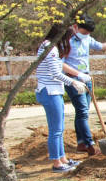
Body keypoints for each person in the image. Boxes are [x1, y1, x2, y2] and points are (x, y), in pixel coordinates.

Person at [62, 15, 106, 156]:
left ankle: (81, 143)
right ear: (76, 27)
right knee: (83, 111)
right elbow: (61, 63)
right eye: (84, 33)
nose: (86, 36)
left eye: (88, 34)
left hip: (87, 78)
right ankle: (90, 145)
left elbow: (101, 47)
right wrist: (77, 75)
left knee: (82, 112)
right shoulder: (67, 41)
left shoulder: (87, 39)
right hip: (74, 80)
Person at [36, 24, 87, 172]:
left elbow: (60, 66)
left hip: (54, 90)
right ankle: (57, 163)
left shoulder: (51, 46)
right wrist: (73, 82)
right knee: (55, 129)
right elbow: (55, 73)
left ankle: (63, 158)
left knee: (59, 128)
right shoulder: (50, 48)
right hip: (49, 91)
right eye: (68, 37)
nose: (69, 41)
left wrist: (78, 74)